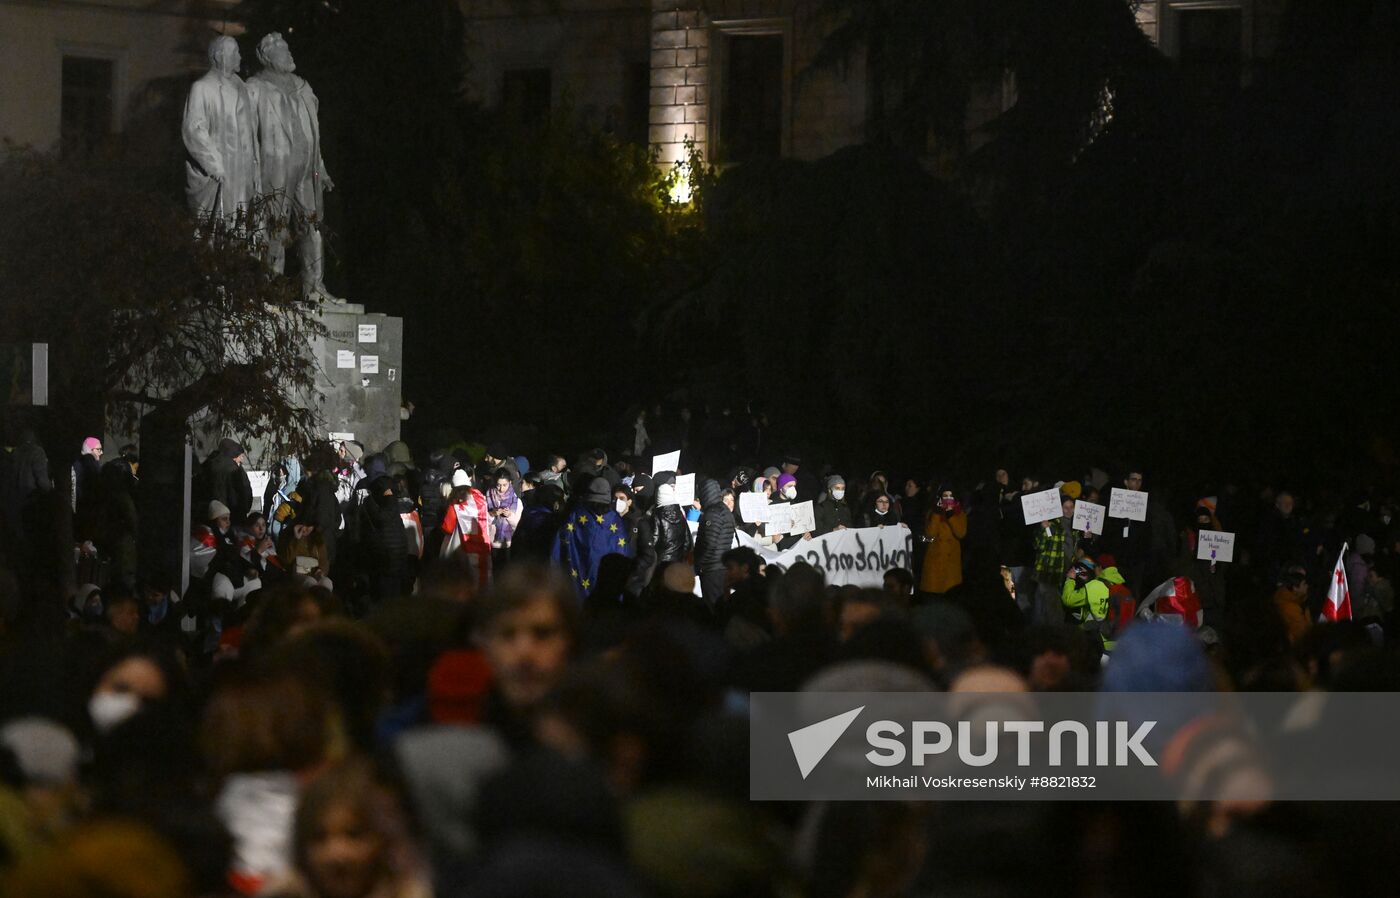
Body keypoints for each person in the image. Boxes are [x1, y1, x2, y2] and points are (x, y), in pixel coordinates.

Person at [247, 32, 338, 302]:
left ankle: (315, 288)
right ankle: (270, 286)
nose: (289, 54)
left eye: (288, 48)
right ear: (266, 57)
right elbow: (247, 134)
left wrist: (322, 166)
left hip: (307, 169)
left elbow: (314, 132)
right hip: (275, 166)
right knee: (275, 226)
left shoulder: (303, 87)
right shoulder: (255, 88)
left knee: (313, 226)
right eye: (282, 50)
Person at [182, 35, 259, 226]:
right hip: (222, 170)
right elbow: (194, 130)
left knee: (245, 226)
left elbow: (252, 131)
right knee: (223, 229)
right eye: (235, 52)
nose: (240, 57)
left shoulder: (243, 88)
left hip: (245, 171)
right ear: (219, 56)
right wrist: (215, 166)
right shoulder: (202, 88)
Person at [552, 476, 633, 601]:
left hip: (577, 582)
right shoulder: (615, 520)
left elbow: (560, 547)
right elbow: (622, 552)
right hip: (607, 586)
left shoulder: (575, 515)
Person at [441, 469, 493, 593]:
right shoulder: (480, 497)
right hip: (483, 545)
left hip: (463, 548)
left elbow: (447, 527)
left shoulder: (456, 503)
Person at [694, 477, 736, 612]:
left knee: (713, 607)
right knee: (722, 605)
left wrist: (699, 565)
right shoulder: (725, 511)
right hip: (723, 567)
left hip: (711, 568)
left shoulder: (712, 513)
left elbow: (709, 543)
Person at [919, 487, 966, 596]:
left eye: (950, 496)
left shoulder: (959, 513)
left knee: (951, 596)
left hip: (951, 564)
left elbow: (961, 533)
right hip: (934, 562)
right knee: (933, 597)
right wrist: (936, 513)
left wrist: (951, 516)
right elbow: (930, 534)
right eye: (945, 496)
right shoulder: (932, 512)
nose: (948, 499)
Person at [206, 438, 254, 523]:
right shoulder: (236, 470)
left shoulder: (209, 465)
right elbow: (245, 491)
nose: (241, 460)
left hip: (211, 515)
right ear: (234, 455)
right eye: (241, 456)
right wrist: (243, 510)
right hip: (234, 516)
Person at [486, 469, 523, 562]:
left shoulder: (516, 501)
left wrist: (509, 515)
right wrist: (492, 514)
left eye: (504, 485)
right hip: (489, 542)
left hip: (507, 544)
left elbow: (518, 525)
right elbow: (481, 521)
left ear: (510, 482)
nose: (501, 489)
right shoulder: (487, 497)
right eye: (498, 485)